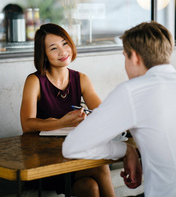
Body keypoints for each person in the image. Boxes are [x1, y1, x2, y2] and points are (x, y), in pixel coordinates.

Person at [63, 21, 176, 197]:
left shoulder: (133, 91)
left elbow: (72, 147)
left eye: (125, 56)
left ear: (135, 57)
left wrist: (125, 150)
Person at [20, 23, 115, 197]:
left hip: (74, 155)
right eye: (53, 48)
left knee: (90, 188)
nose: (63, 52)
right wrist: (61, 123)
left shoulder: (81, 79)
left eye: (65, 44)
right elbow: (26, 125)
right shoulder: (34, 81)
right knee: (100, 167)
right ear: (44, 55)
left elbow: (103, 113)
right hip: (44, 161)